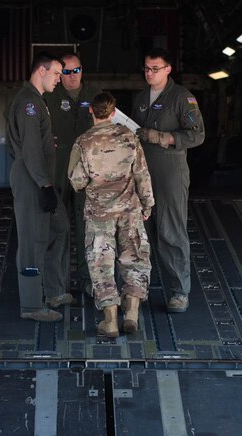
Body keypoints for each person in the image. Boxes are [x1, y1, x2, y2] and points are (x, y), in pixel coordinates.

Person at [68, 92, 154, 338]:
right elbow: (142, 175)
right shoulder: (129, 138)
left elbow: (77, 182)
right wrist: (147, 205)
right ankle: (131, 315)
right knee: (135, 259)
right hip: (130, 210)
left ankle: (110, 322)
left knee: (101, 264)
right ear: (114, 112)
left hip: (99, 214)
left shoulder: (83, 142)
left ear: (91, 112)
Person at [132, 48, 205, 313]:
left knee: (171, 232)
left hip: (170, 174)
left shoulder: (182, 98)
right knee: (141, 233)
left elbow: (197, 135)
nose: (149, 74)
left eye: (155, 69)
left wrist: (164, 138)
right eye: (146, 69)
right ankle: (137, 290)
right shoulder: (141, 98)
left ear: (168, 70)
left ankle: (178, 292)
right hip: (141, 174)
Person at [5, 52, 72, 322]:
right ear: (41, 71)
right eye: (57, 73)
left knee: (60, 227)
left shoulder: (37, 102)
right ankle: (32, 306)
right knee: (32, 242)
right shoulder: (29, 103)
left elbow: (21, 144)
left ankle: (54, 290)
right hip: (34, 181)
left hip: (39, 177)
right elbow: (29, 149)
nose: (60, 79)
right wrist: (44, 184)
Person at [42, 52, 102, 296]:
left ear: (82, 71)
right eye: (65, 72)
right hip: (57, 170)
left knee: (88, 226)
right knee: (57, 227)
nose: (71, 76)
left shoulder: (95, 94)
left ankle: (89, 280)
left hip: (87, 171)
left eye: (76, 70)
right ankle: (58, 284)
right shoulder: (49, 93)